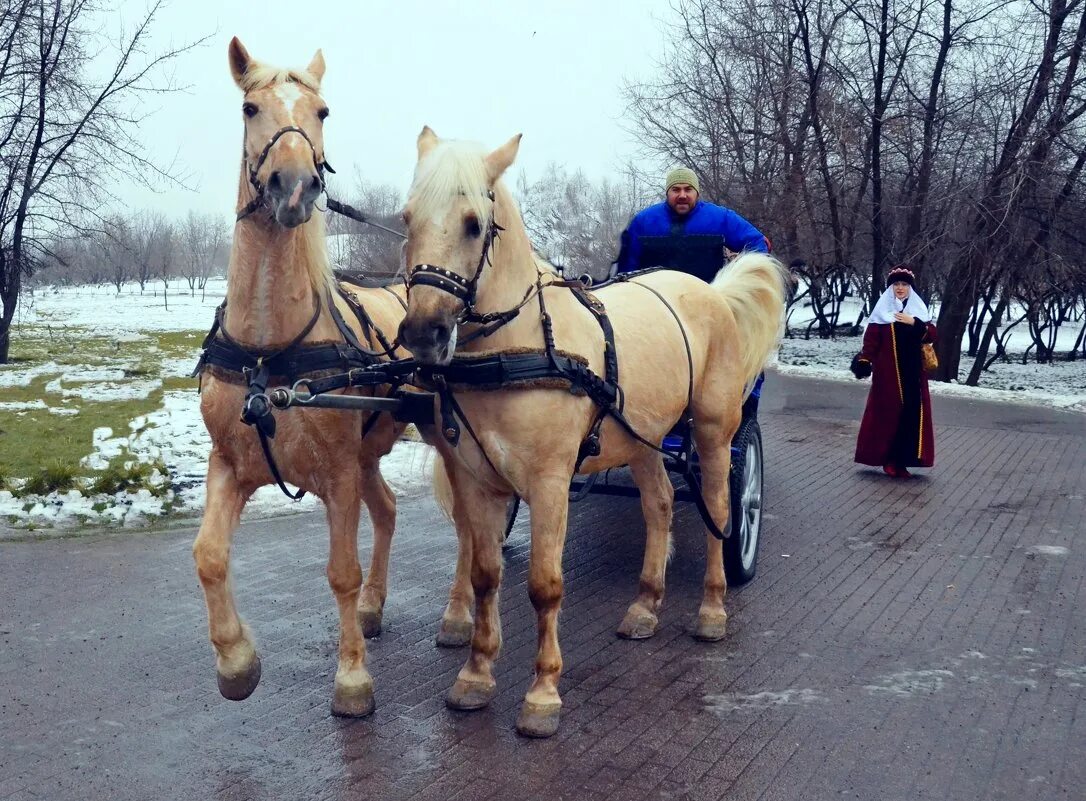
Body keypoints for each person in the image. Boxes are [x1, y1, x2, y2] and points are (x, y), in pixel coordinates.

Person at [850, 267, 937, 478]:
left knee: (911, 416)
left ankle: (904, 460)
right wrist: (864, 361)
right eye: (897, 284)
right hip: (888, 376)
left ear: (910, 288)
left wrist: (913, 322)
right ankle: (889, 460)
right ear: (891, 288)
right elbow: (871, 342)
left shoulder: (917, 311)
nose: (900, 288)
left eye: (904, 285)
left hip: (913, 375)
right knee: (889, 416)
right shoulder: (882, 313)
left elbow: (932, 335)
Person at [614, 167, 770, 281]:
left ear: (697, 193)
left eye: (688, 189)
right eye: (676, 189)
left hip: (709, 302)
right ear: (667, 193)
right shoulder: (644, 222)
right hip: (657, 307)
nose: (682, 195)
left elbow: (758, 243)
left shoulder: (720, 218)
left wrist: (742, 279)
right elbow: (627, 268)